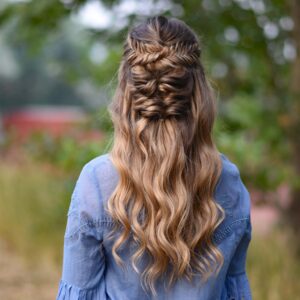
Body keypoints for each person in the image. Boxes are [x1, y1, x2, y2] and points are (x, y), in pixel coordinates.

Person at [56, 15, 252, 300]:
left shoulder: (97, 182)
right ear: (199, 95)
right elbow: (235, 294)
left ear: (126, 93)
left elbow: (78, 294)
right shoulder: (228, 183)